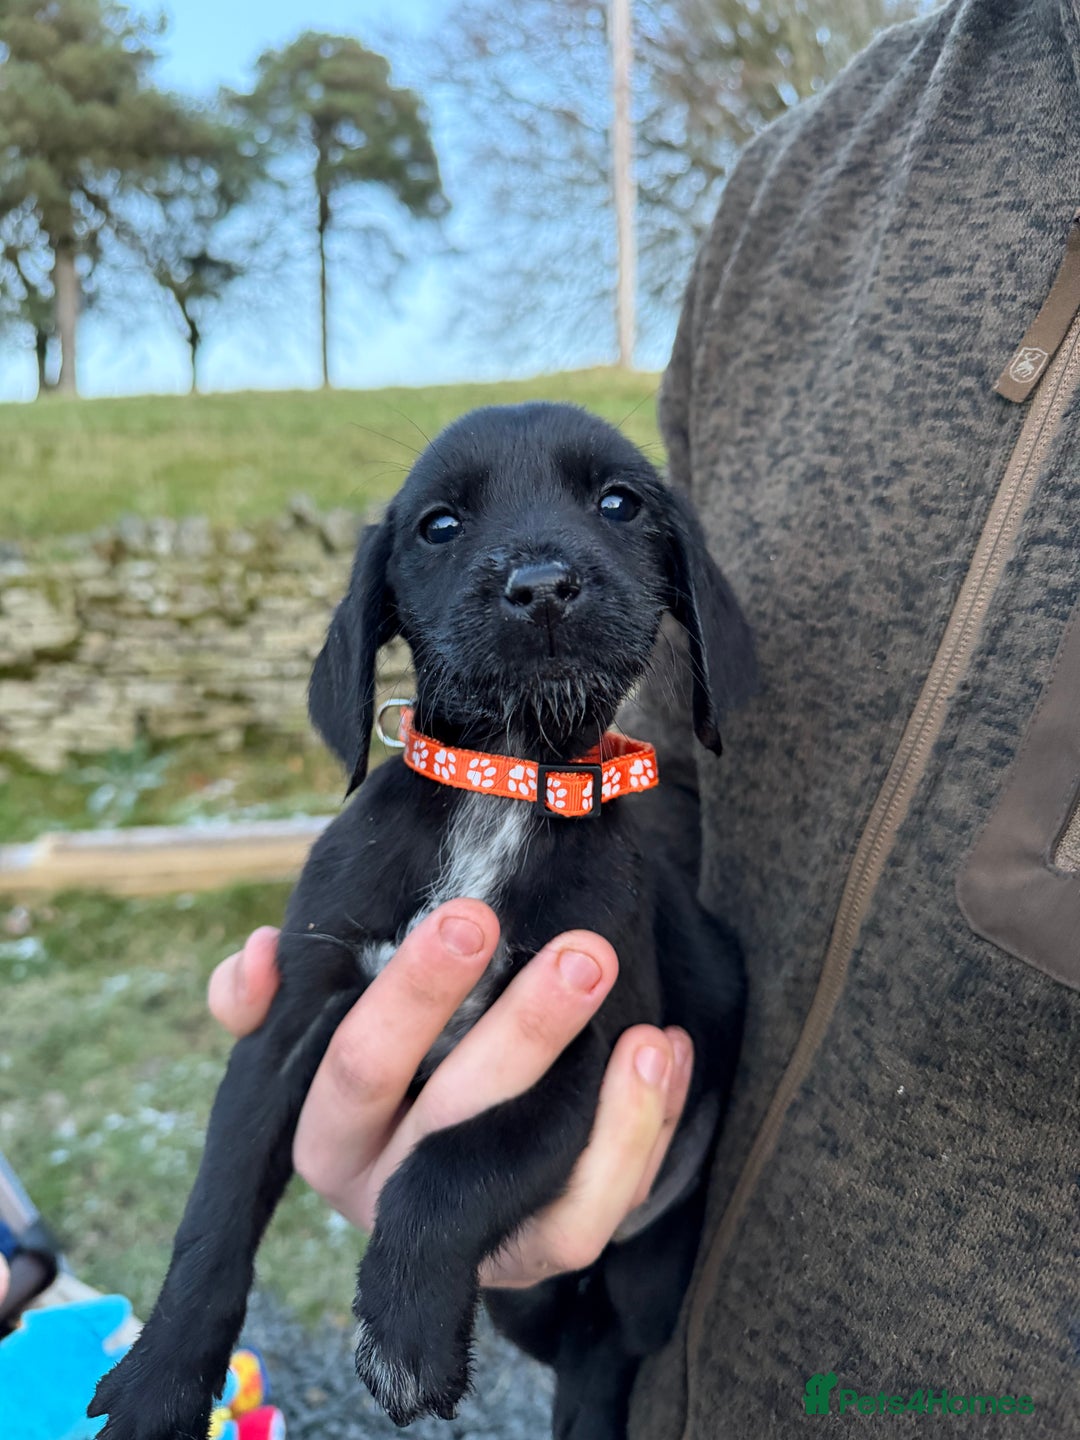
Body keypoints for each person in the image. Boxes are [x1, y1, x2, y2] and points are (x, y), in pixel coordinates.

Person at [212, 0, 1080, 1432]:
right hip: (666, 1344)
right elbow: (670, 730)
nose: (547, 568)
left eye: (612, 510)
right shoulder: (797, 183)